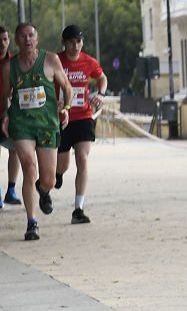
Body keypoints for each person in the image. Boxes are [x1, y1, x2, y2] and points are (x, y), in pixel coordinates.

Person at [0, 22, 73, 241]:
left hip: (47, 125)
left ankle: (43, 190)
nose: (27, 39)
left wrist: (66, 108)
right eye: (22, 36)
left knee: (49, 179)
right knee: (29, 168)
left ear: (37, 39)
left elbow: (67, 87)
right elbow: (6, 95)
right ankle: (32, 222)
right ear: (16, 40)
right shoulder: (8, 68)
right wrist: (5, 114)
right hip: (21, 124)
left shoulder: (51, 60)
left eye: (31, 35)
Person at [56, 25, 107, 224]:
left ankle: (78, 208)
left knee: (83, 159)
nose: (75, 46)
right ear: (64, 43)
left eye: (78, 42)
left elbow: (102, 77)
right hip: (62, 117)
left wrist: (100, 94)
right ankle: (57, 175)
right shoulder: (56, 61)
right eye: (71, 42)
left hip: (84, 116)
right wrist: (55, 101)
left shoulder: (89, 61)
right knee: (62, 165)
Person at [0, 26, 23, 207]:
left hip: (11, 113)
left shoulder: (15, 61)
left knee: (14, 150)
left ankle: (11, 189)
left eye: (5, 39)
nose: (2, 44)